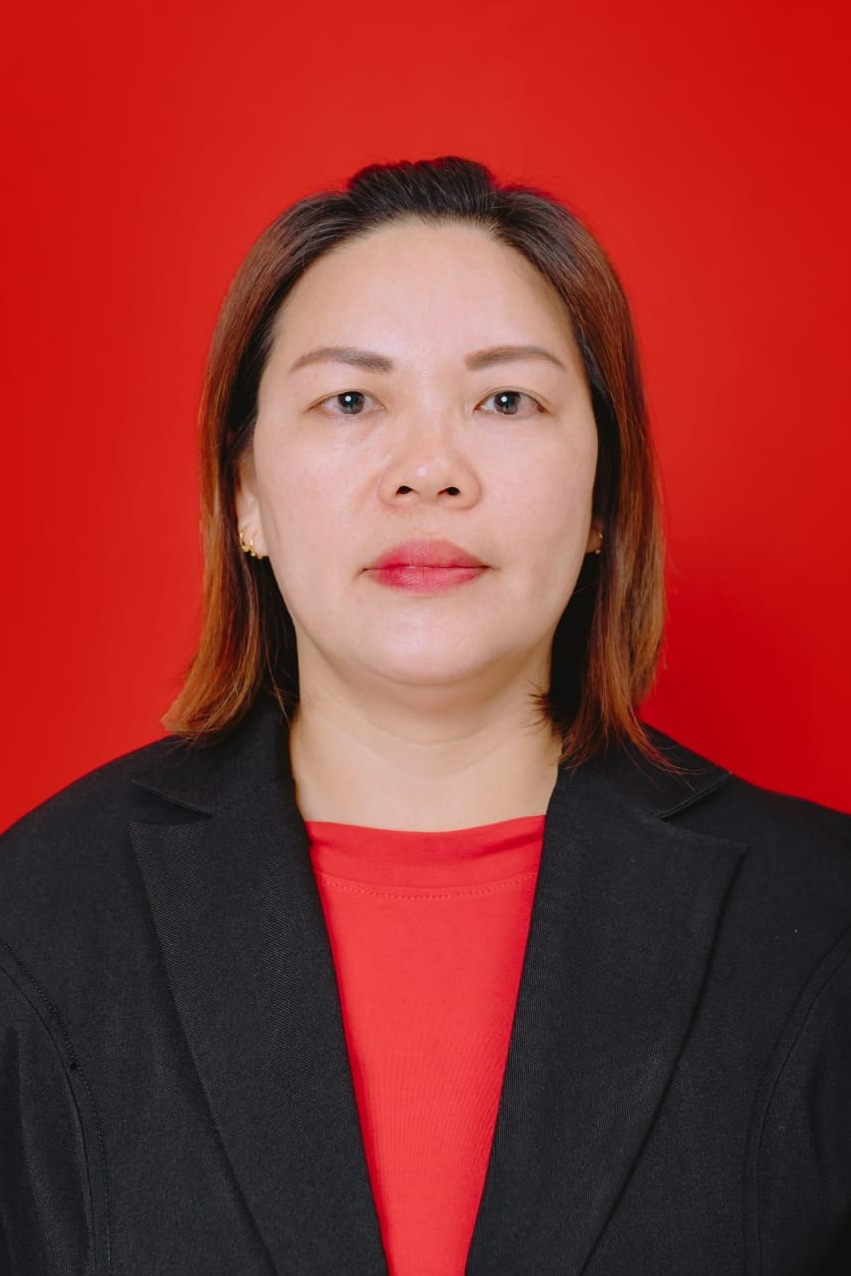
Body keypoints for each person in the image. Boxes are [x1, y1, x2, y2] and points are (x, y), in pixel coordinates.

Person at [1, 156, 849, 1276]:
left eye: (506, 400)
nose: (430, 471)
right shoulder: (36, 919)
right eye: (350, 401)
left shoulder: (820, 921)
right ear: (245, 491)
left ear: (604, 494)